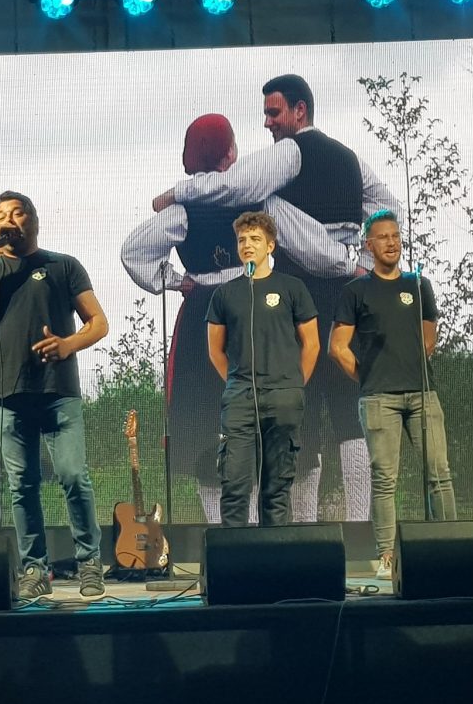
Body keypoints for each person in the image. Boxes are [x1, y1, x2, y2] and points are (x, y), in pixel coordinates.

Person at [153, 75, 400, 524]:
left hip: (304, 295)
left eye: (274, 112)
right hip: (349, 295)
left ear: (299, 110)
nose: (267, 123)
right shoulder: (350, 159)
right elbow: (388, 208)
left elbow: (233, 187)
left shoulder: (289, 153)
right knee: (349, 410)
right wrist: (363, 260)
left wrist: (177, 192)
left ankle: (305, 527)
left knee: (301, 413)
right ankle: (360, 526)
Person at [122, 114, 361, 523]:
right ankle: (261, 528)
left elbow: (133, 252)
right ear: (231, 153)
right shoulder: (260, 203)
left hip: (204, 317)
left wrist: (176, 281)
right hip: (256, 308)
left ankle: (224, 530)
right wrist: (351, 264)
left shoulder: (183, 210)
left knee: (207, 418)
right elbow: (312, 246)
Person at [0, 191, 108, 600]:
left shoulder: (62, 265)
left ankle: (89, 562)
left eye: (17, 213)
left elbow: (98, 322)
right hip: (7, 395)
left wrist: (68, 345)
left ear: (34, 220)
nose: (9, 220)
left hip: (58, 392)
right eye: (1, 215)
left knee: (73, 475)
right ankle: (35, 568)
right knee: (22, 485)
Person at [329, 209, 457, 579]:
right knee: (384, 479)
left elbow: (428, 339)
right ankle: (387, 556)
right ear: (368, 245)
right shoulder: (355, 291)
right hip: (378, 398)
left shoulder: (419, 285)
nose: (392, 242)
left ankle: (452, 546)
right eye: (383, 237)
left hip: (423, 393)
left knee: (439, 474)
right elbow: (338, 347)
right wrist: (368, 376)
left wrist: (407, 363)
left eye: (396, 236)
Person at [206, 211, 319, 526]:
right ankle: (233, 553)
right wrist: (236, 382)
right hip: (240, 398)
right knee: (234, 484)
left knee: (276, 489)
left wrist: (294, 384)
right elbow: (215, 349)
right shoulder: (224, 293)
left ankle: (274, 553)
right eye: (242, 240)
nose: (247, 245)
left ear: (271, 246)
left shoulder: (292, 287)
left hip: (284, 396)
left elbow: (312, 344)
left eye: (255, 239)